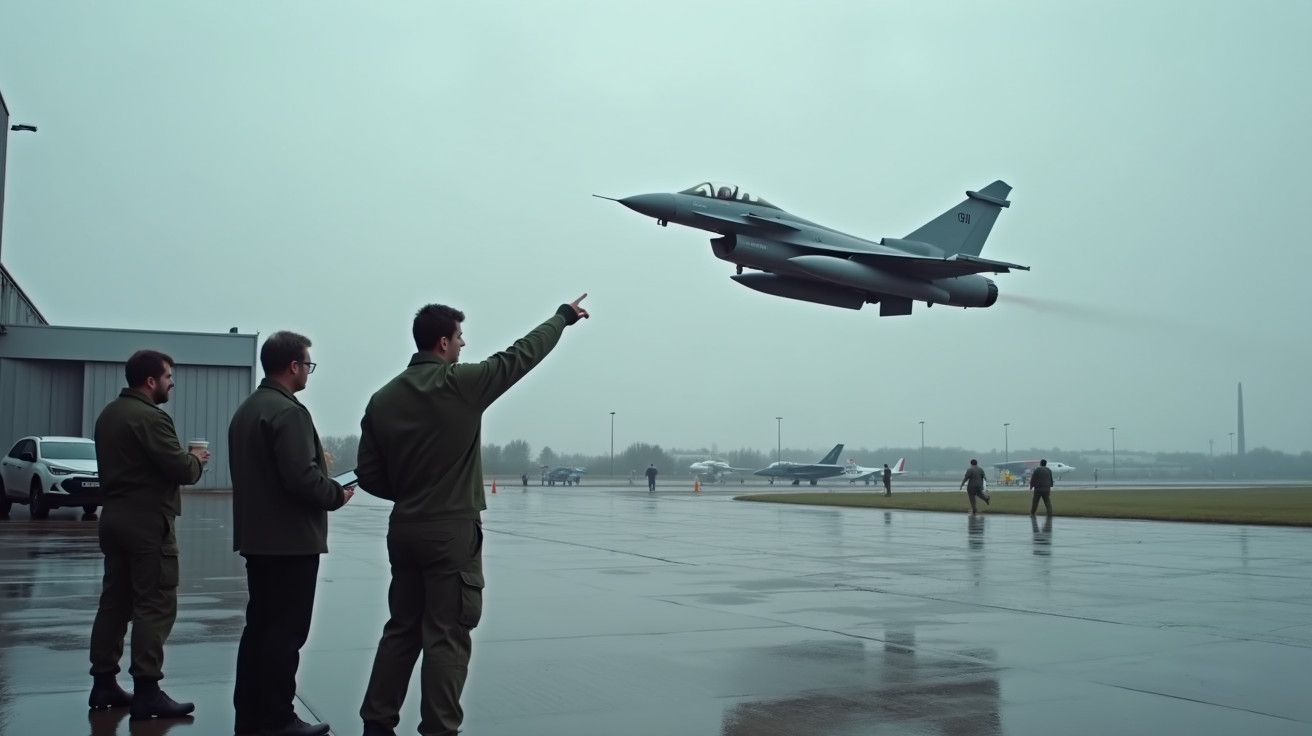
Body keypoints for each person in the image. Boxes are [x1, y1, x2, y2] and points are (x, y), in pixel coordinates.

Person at [357, 295, 589, 736]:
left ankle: (377, 723)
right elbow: (520, 356)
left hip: (404, 527)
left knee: (401, 629)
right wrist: (562, 318)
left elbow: (368, 473)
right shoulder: (461, 385)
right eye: (460, 338)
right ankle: (440, 729)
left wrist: (409, 493)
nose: (464, 345)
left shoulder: (382, 399)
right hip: (451, 530)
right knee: (446, 633)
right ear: (443, 342)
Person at [229, 332, 354, 736]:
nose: (309, 374)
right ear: (293, 366)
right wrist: (335, 493)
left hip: (259, 539)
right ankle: (278, 718)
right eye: (308, 365)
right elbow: (301, 479)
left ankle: (250, 714)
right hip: (290, 542)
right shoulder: (289, 412)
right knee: (285, 636)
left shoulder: (248, 410)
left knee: (260, 630)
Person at [88, 350, 208, 721]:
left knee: (114, 603)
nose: (172, 382)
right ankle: (148, 691)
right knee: (154, 604)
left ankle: (103, 682)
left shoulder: (109, 414)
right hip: (146, 523)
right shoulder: (152, 418)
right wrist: (196, 460)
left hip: (114, 518)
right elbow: (179, 468)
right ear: (151, 381)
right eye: (168, 376)